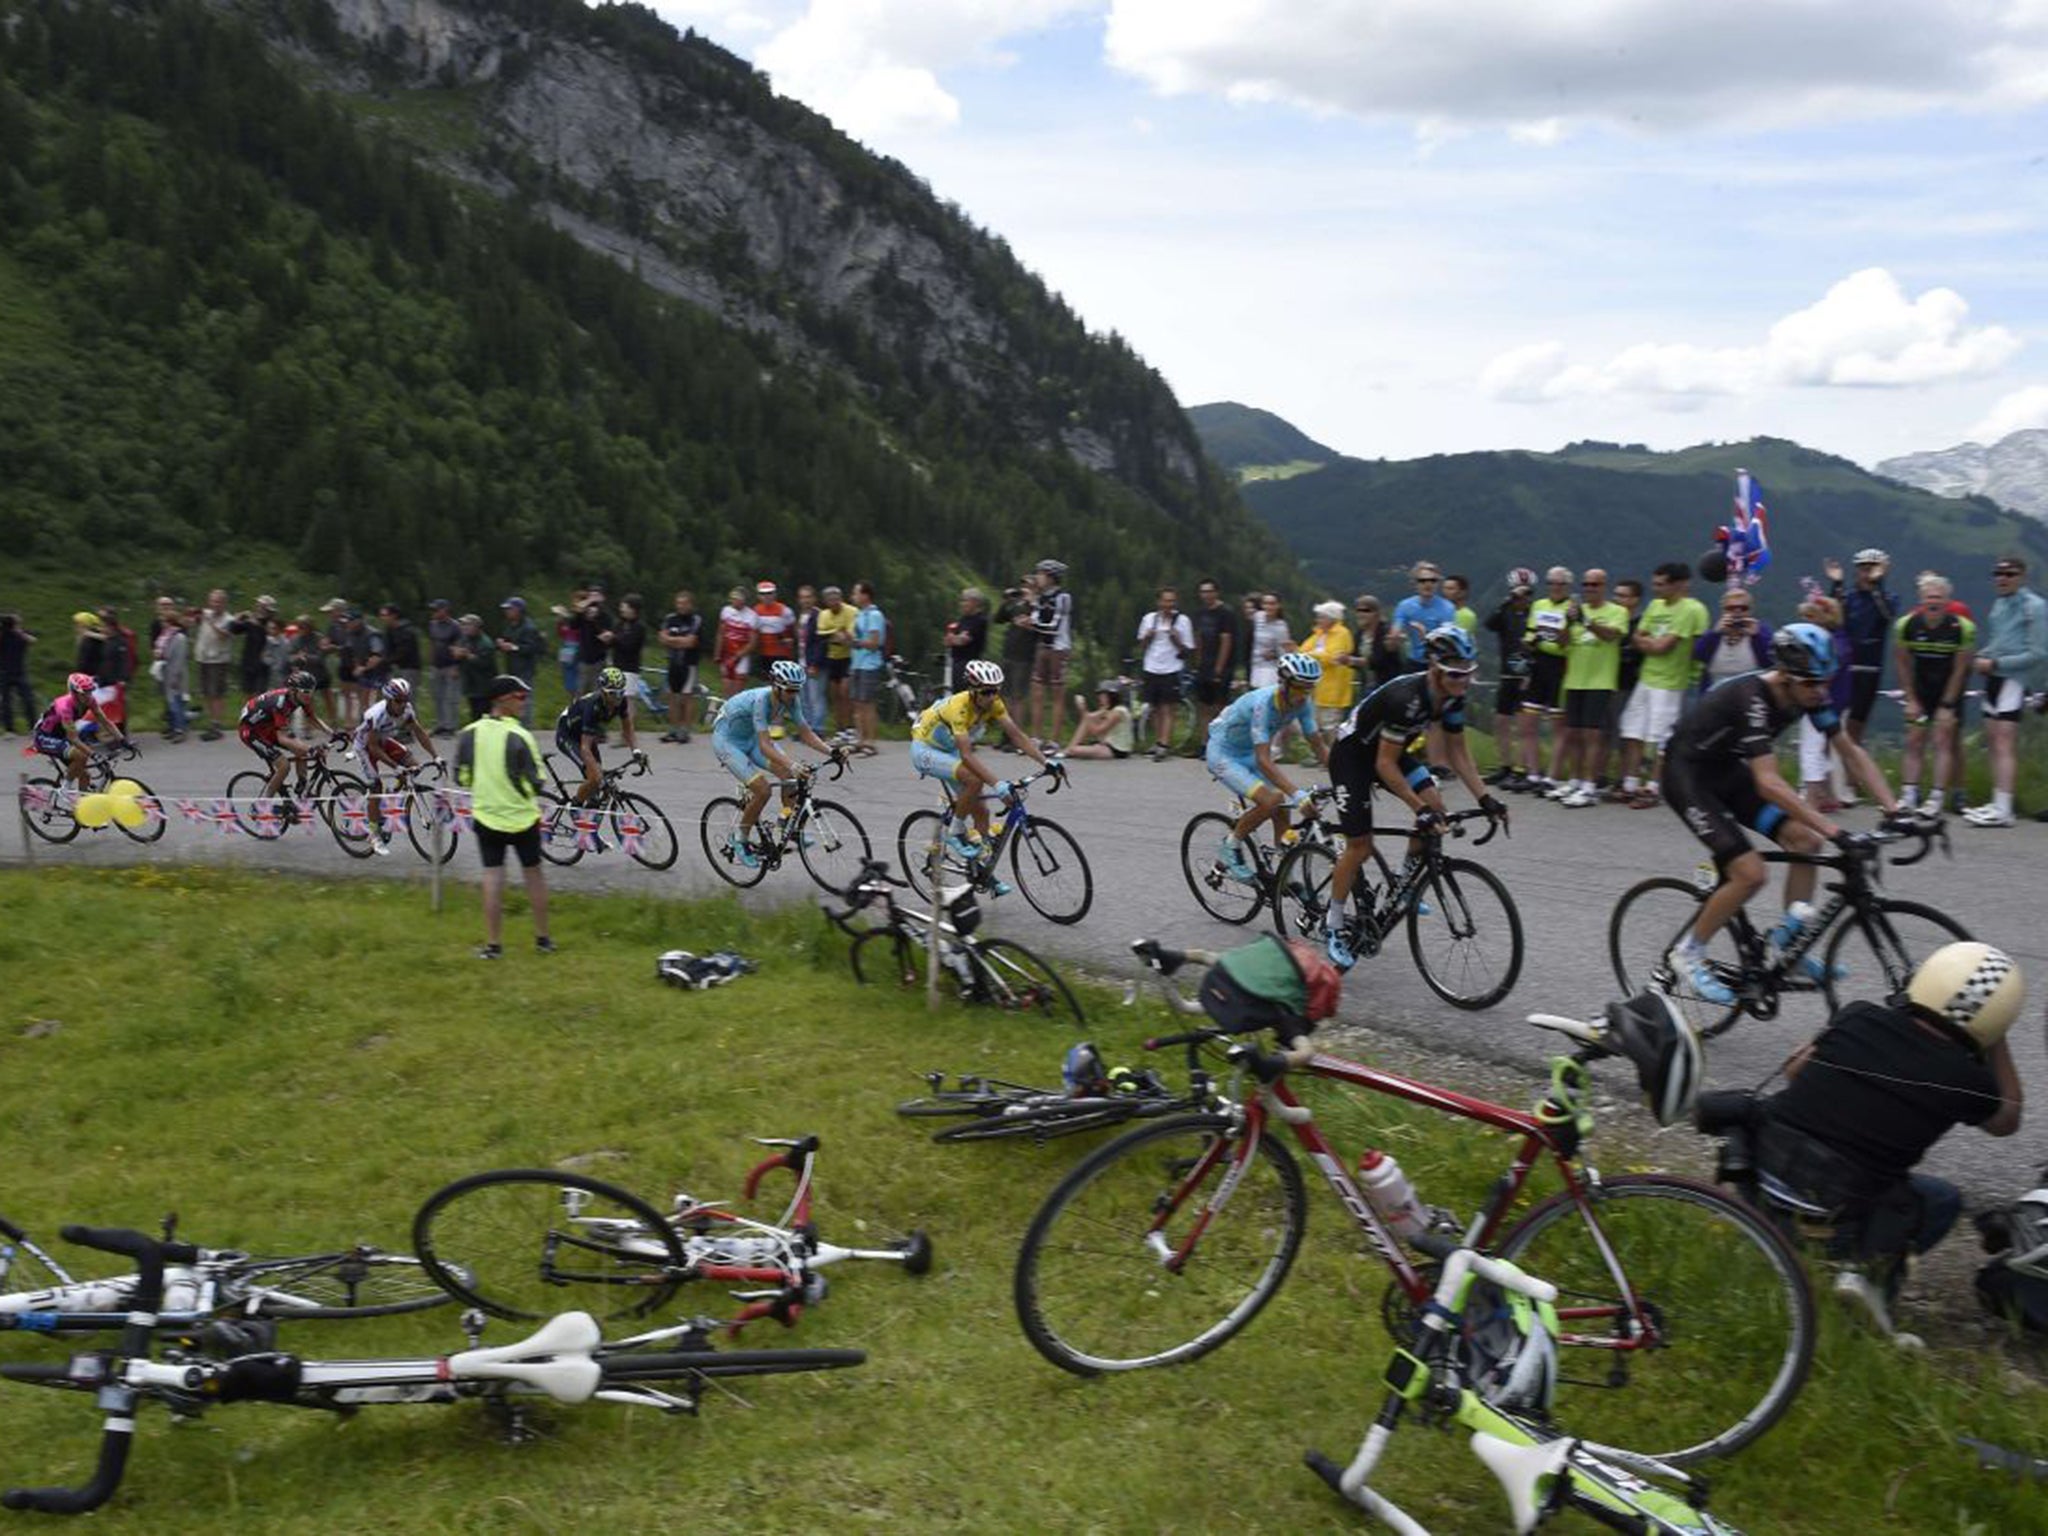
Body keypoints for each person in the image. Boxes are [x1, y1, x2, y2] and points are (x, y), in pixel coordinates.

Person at [1755, 942, 2023, 1338]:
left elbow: (1794, 1072)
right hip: (1838, 1217)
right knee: (1943, 1199)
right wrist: (1997, 1041)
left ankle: (1781, 1253)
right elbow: (2008, 1119)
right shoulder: (1970, 1082)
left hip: (1759, 1185)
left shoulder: (1858, 1016)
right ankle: (1871, 1285)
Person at [1658, 623, 1904, 1006]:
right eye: (1810, 684)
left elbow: (1850, 751)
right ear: (1785, 676)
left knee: (1806, 841)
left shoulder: (1809, 694)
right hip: (1686, 776)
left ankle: (1789, 943)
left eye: (1825, 682)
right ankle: (1688, 952)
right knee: (1751, 873)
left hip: (1725, 769)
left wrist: (1895, 808)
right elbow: (1769, 783)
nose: (1820, 692)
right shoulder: (1752, 698)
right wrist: (1836, 830)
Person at [1319, 626, 1507, 968]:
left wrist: (1485, 799)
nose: (1463, 680)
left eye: (1469, 672)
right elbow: (1384, 765)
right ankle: (1333, 924)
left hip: (1387, 751)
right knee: (1360, 845)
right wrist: (1417, 808)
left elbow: (1458, 753)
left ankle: (1402, 886)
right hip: (1353, 756)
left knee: (1436, 804)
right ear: (1435, 667)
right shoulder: (1407, 699)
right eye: (1455, 673)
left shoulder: (1453, 694)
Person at [911, 658, 1053, 883]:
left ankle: (980, 872)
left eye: (995, 691)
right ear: (974, 691)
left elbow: (1017, 736)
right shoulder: (958, 707)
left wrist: (1046, 763)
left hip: (948, 750)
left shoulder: (994, 703)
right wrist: (997, 784)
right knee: (974, 781)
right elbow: (967, 755)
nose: (991, 696)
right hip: (925, 749)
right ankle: (955, 832)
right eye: (986, 692)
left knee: (983, 813)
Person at [1205, 651, 1329, 883]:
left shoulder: (1302, 703)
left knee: (1281, 807)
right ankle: (1229, 848)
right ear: (1284, 683)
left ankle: (1286, 875)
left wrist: (1348, 778)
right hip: (1223, 754)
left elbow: (1319, 746)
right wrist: (1298, 794)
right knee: (1272, 800)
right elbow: (1264, 760)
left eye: (1309, 688)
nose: (1304, 695)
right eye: (1300, 687)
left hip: (1248, 753)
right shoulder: (1263, 704)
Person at [710, 658, 843, 866]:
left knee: (789, 778)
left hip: (750, 738)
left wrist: (832, 752)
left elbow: (806, 734)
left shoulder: (791, 699)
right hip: (727, 742)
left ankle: (786, 825)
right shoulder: (761, 700)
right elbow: (765, 746)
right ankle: (740, 839)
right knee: (763, 790)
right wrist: (792, 764)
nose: (794, 695)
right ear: (776, 686)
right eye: (790, 691)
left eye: (797, 690)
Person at [457, 675, 553, 959]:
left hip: (487, 817)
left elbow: (463, 777)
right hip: (522, 818)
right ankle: (543, 940)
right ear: (502, 700)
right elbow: (537, 782)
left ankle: (493, 945)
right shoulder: (521, 736)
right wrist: (519, 791)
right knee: (533, 874)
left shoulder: (469, 733)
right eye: (520, 697)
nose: (525, 702)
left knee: (492, 876)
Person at [1612, 562, 1710, 808]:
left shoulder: (1691, 609)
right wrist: (1650, 643)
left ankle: (1653, 787)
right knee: (1632, 730)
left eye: (1660, 584)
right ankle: (1630, 784)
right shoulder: (1655, 605)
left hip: (1671, 683)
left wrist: (1650, 643)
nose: (1655, 589)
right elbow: (1637, 637)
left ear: (1677, 584)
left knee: (1661, 738)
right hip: (1647, 677)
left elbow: (1662, 646)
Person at [1963, 555, 2047, 828]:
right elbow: (1999, 642)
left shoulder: (2034, 606)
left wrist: (1996, 663)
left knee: (2004, 741)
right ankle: (1997, 801)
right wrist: (1982, 657)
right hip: (1993, 678)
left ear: (2022, 576)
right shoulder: (1999, 605)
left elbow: (2037, 653)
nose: (2002, 578)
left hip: (2014, 679)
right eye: (1997, 573)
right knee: (1992, 738)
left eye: (2009, 574)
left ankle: (2005, 808)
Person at [1544, 568, 1628, 807]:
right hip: (1575, 680)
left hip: (1600, 682)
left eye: (1595, 585)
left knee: (1592, 735)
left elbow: (1611, 636)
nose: (1590, 589)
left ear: (1604, 587)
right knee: (1574, 735)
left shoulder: (1617, 611)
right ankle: (1576, 780)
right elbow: (1561, 644)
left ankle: (1590, 786)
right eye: (1586, 584)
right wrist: (1568, 624)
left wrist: (1586, 622)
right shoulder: (1574, 611)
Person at [1892, 573, 1975, 816]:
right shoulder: (1906, 625)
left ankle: (1937, 797)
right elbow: (1902, 664)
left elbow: (1961, 670)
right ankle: (1908, 794)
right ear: (1921, 599)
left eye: (1939, 598)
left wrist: (1947, 705)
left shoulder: (1962, 628)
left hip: (1949, 690)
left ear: (1948, 601)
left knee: (1943, 740)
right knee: (1914, 740)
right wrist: (1911, 699)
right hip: (1920, 690)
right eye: (1929, 598)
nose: (1933, 603)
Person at [352, 677, 441, 853]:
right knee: (376, 787)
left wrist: (436, 756)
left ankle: (388, 799)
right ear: (388, 699)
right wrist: (395, 767)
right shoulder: (375, 714)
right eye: (399, 701)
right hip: (365, 747)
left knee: (413, 765)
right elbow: (373, 747)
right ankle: (374, 833)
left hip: (383, 740)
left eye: (406, 700)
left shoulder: (407, 710)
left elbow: (420, 733)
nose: (403, 704)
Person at [1827, 548, 1900, 747]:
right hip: (1844, 668)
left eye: (1872, 569)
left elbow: (1886, 614)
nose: (1867, 573)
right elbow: (1831, 617)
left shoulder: (1889, 598)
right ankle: (1824, 775)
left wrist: (1876, 586)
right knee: (1829, 726)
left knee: (1854, 729)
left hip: (1869, 671)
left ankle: (1853, 777)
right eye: (1863, 568)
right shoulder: (1849, 597)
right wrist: (1837, 583)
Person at [1792, 594, 1854, 813]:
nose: (1805, 621)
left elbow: (1823, 675)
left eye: (1810, 616)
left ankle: (1809, 795)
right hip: (1835, 702)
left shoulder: (1828, 642)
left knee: (1810, 748)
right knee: (1821, 747)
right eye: (1803, 616)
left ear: (1826, 616)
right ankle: (1825, 794)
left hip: (1821, 702)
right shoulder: (1839, 638)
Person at [554, 665, 643, 814]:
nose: (618, 698)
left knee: (600, 787)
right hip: (568, 736)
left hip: (585, 733)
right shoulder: (593, 706)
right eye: (613, 694)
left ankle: (588, 821)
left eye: (621, 692)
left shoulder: (621, 702)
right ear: (603, 692)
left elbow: (628, 729)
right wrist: (597, 777)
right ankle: (575, 807)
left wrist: (637, 751)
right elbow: (584, 748)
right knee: (595, 779)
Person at [237, 670, 336, 802]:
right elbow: (282, 738)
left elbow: (313, 719)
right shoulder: (280, 703)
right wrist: (309, 749)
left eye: (312, 691)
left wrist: (333, 733)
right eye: (305, 691)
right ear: (293, 691)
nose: (309, 695)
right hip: (251, 731)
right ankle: (263, 804)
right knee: (284, 766)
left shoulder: (299, 697)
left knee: (301, 749)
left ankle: (302, 787)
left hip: (269, 726)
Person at [1482, 569, 1537, 789]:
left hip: (1527, 676)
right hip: (1507, 674)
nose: (1522, 597)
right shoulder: (1505, 612)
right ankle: (1505, 766)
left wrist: (1531, 673)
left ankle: (1521, 770)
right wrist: (1507, 602)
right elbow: (1488, 624)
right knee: (1501, 722)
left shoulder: (1536, 612)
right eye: (1517, 593)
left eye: (1526, 593)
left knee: (1524, 726)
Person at [1521, 568, 1575, 791]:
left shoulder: (1572, 608)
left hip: (1561, 665)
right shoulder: (1539, 605)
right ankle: (1533, 775)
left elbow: (1565, 642)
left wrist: (1568, 624)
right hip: (1538, 664)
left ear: (1568, 586)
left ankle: (1551, 777)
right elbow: (1530, 632)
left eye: (1560, 584)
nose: (1555, 587)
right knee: (1528, 723)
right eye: (1552, 583)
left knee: (1558, 727)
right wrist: (1529, 641)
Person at [33, 672, 128, 791]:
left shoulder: (89, 700)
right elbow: (73, 738)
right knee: (81, 756)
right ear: (74, 693)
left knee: (85, 776)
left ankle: (79, 805)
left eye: (90, 692)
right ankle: (65, 789)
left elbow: (105, 722)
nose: (88, 696)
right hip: (45, 737)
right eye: (84, 693)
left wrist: (123, 741)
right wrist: (94, 755)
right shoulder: (65, 706)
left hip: (61, 736)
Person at [1135, 587, 1196, 760]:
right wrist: (1148, 637)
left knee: (1168, 707)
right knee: (1153, 707)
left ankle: (1165, 744)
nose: (1169, 604)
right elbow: (1141, 646)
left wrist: (1176, 640)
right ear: (1159, 602)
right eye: (1166, 601)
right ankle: (1158, 740)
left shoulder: (1183, 621)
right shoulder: (1149, 619)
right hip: (1151, 666)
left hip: (1172, 667)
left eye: (1172, 601)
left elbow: (1188, 650)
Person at [1028, 558, 1075, 742]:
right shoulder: (1041, 597)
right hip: (1043, 646)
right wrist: (1032, 616)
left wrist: (1032, 624)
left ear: (1051, 577)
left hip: (1058, 647)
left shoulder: (1063, 597)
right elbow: (1035, 617)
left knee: (1057, 695)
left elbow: (1054, 626)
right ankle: (1036, 737)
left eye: (1040, 574)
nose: (1037, 578)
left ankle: (1054, 740)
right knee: (1037, 692)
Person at [1693, 588, 1772, 689]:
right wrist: (1714, 634)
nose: (1737, 612)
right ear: (1723, 610)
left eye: (1743, 608)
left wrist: (1757, 637)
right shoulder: (1715, 634)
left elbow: (1769, 663)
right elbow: (1698, 655)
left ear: (1751, 610)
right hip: (1715, 692)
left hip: (1750, 693)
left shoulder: (1760, 631)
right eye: (1731, 608)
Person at [1189, 578, 1237, 746]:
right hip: (1204, 666)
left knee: (1219, 707)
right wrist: (1198, 662)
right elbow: (1198, 638)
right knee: (1203, 706)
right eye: (1203, 592)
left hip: (1221, 666)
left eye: (1210, 591)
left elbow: (1226, 640)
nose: (1206, 595)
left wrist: (1219, 669)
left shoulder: (1226, 613)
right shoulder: (1199, 613)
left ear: (1216, 592)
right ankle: (1205, 743)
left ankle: (1220, 743)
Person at [1299, 601, 1354, 746]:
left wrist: (1313, 655)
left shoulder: (1342, 633)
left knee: (1331, 725)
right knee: (1315, 724)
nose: (1318, 620)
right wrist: (1316, 654)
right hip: (1317, 687)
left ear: (1332, 618)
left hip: (1333, 688)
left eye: (1321, 617)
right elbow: (1302, 652)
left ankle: (1336, 756)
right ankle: (1323, 756)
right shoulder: (1318, 634)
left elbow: (1333, 658)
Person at [1390, 562, 1455, 672]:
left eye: (1432, 580)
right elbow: (1395, 631)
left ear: (1437, 583)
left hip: (1438, 664)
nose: (1427, 584)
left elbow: (1446, 641)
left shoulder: (1447, 608)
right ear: (1415, 583)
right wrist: (1396, 636)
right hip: (1414, 662)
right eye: (1422, 581)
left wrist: (1424, 635)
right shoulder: (1405, 606)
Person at [846, 580, 887, 755]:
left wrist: (853, 642)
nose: (853, 596)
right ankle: (860, 739)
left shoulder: (874, 615)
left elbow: (874, 642)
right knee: (857, 703)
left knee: (867, 704)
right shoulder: (860, 614)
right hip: (857, 663)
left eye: (856, 593)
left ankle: (870, 742)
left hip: (869, 664)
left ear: (865, 595)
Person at [658, 589, 704, 742]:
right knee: (671, 697)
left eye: (684, 603)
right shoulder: (670, 618)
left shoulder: (695, 620)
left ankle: (685, 730)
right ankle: (673, 730)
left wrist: (673, 640)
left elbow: (691, 642)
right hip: (672, 663)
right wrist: (680, 641)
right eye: (678, 603)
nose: (681, 606)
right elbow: (662, 638)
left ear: (690, 604)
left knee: (686, 698)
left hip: (689, 664)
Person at [493, 597, 543, 726]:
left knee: (524, 699)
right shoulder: (510, 625)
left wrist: (513, 647)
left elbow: (533, 648)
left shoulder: (529, 627)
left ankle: (526, 727)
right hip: (512, 668)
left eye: (510, 609)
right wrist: (501, 643)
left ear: (519, 610)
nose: (507, 611)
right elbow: (507, 639)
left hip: (524, 669)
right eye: (506, 609)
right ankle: (514, 724)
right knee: (511, 698)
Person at [814, 584, 858, 732]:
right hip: (832, 657)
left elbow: (851, 635)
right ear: (825, 602)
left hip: (849, 656)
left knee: (845, 692)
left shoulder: (851, 611)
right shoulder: (824, 614)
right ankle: (840, 728)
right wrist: (838, 632)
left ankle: (850, 727)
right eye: (830, 600)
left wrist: (838, 635)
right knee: (835, 695)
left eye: (836, 599)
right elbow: (821, 634)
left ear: (841, 599)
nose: (834, 602)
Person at [194, 589, 235, 739]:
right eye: (212, 601)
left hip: (218, 661)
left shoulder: (229, 620)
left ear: (224, 603)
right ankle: (212, 722)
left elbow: (224, 636)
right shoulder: (205, 614)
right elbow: (188, 619)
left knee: (217, 693)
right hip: (203, 658)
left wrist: (211, 622)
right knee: (206, 693)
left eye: (218, 601)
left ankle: (217, 725)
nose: (214, 604)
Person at [1063, 678, 1135, 760]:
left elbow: (1096, 731)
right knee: (1086, 721)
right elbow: (1089, 718)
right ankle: (1069, 749)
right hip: (1107, 743)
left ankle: (1070, 749)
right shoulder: (1107, 709)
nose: (1100, 698)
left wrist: (1083, 710)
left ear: (1111, 696)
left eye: (1103, 695)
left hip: (1116, 749)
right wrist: (1085, 712)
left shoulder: (1118, 712)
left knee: (1075, 750)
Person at [942, 587, 990, 693]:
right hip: (957, 661)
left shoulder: (980, 620)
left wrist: (955, 639)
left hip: (969, 664)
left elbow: (963, 640)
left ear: (975, 602)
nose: (962, 604)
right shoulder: (963, 619)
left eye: (965, 601)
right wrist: (954, 639)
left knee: (964, 695)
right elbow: (949, 640)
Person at [426, 598, 463, 737]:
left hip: (450, 665)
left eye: (436, 609)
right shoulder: (432, 625)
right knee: (438, 696)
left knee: (450, 697)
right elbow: (432, 643)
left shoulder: (455, 626)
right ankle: (440, 724)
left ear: (444, 610)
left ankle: (451, 726)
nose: (433, 612)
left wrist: (456, 666)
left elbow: (459, 646)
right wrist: (430, 662)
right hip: (436, 665)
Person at [795, 584, 828, 731]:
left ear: (814, 599)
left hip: (815, 664)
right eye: (802, 597)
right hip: (802, 662)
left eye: (808, 597)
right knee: (803, 699)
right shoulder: (801, 616)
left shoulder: (819, 616)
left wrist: (814, 663)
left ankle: (818, 728)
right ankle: (806, 729)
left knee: (816, 697)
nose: (805, 600)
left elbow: (822, 643)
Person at [454, 613, 497, 722]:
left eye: (468, 625)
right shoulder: (465, 639)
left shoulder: (486, 643)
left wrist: (468, 655)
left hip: (483, 686)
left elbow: (485, 663)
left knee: (484, 716)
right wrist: (457, 658)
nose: (464, 628)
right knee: (474, 715)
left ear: (477, 627)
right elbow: (459, 654)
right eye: (463, 625)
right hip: (471, 685)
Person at [0, 613, 37, 736]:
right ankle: (10, 730)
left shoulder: (20, 635)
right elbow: (32, 640)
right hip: (6, 673)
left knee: (27, 700)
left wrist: (18, 631)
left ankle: (33, 727)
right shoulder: (4, 636)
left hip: (18, 672)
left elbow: (32, 640)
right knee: (7, 702)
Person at [157, 610, 191, 743]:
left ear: (170, 622)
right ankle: (173, 728)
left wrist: (175, 677)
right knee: (171, 704)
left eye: (164, 621)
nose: (162, 624)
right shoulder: (167, 636)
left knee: (177, 704)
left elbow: (180, 659)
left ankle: (180, 730)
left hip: (176, 675)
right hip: (167, 672)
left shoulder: (179, 637)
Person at [751, 580, 795, 679]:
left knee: (782, 683)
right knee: (766, 683)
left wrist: (788, 640)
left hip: (781, 654)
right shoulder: (755, 611)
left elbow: (792, 630)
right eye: (763, 594)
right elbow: (754, 632)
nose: (766, 596)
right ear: (758, 596)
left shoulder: (785, 610)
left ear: (775, 594)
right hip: (764, 653)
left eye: (769, 593)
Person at [1247, 592, 1292, 689]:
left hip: (1270, 669)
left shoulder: (1281, 627)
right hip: (1255, 665)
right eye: (1266, 603)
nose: (1269, 607)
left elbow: (1284, 653)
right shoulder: (1258, 617)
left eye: (1272, 604)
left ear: (1278, 605)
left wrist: (1275, 654)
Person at [717, 585, 757, 693]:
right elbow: (721, 633)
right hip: (727, 654)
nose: (733, 601)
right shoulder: (726, 611)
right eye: (732, 598)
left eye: (736, 599)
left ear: (743, 600)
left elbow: (752, 643)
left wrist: (736, 657)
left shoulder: (752, 615)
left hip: (741, 656)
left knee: (737, 694)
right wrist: (718, 654)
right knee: (726, 691)